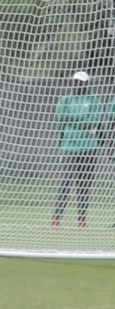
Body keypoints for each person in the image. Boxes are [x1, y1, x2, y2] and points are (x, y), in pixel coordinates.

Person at [52, 70, 104, 228]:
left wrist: (73, 120)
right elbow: (61, 116)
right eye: (75, 82)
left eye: (80, 82)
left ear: (87, 84)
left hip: (88, 148)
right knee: (65, 182)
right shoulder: (66, 100)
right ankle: (56, 219)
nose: (77, 85)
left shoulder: (94, 101)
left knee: (84, 184)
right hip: (69, 146)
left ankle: (82, 219)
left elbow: (92, 121)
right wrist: (80, 120)